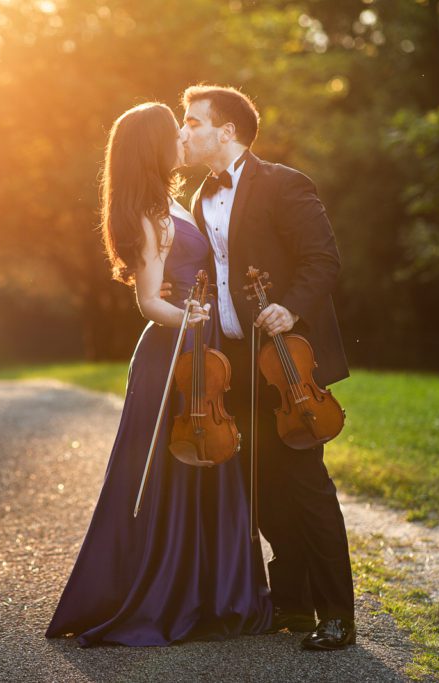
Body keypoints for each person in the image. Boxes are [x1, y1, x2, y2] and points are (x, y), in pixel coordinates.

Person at [44, 102, 272, 646]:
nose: (183, 138)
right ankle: (168, 595)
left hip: (202, 347)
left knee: (209, 458)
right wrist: (186, 315)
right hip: (173, 353)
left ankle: (213, 594)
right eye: (176, 131)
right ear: (154, 145)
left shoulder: (176, 202)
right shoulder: (149, 214)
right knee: (171, 469)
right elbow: (149, 301)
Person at [176, 84, 356, 651]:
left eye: (194, 122)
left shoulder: (284, 183)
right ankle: (294, 604)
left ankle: (338, 614)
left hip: (284, 364)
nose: (185, 131)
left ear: (226, 130)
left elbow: (323, 260)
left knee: (306, 485)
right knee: (262, 488)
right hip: (233, 365)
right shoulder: (199, 199)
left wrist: (291, 307)